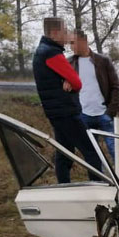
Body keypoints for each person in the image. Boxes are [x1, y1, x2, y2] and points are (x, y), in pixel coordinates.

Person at [32, 17, 102, 183]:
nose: (68, 35)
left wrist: (67, 79)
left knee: (65, 153)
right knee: (91, 151)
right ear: (54, 33)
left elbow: (66, 79)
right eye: (65, 31)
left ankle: (63, 186)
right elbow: (77, 82)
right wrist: (70, 80)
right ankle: (98, 185)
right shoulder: (52, 53)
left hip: (56, 112)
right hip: (66, 112)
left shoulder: (42, 51)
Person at [68, 30, 119, 159]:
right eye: (70, 43)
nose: (71, 47)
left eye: (73, 43)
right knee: (92, 154)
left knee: (116, 151)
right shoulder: (69, 63)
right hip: (83, 115)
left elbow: (115, 87)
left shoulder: (103, 61)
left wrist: (111, 110)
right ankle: (99, 173)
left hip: (104, 113)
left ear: (84, 41)